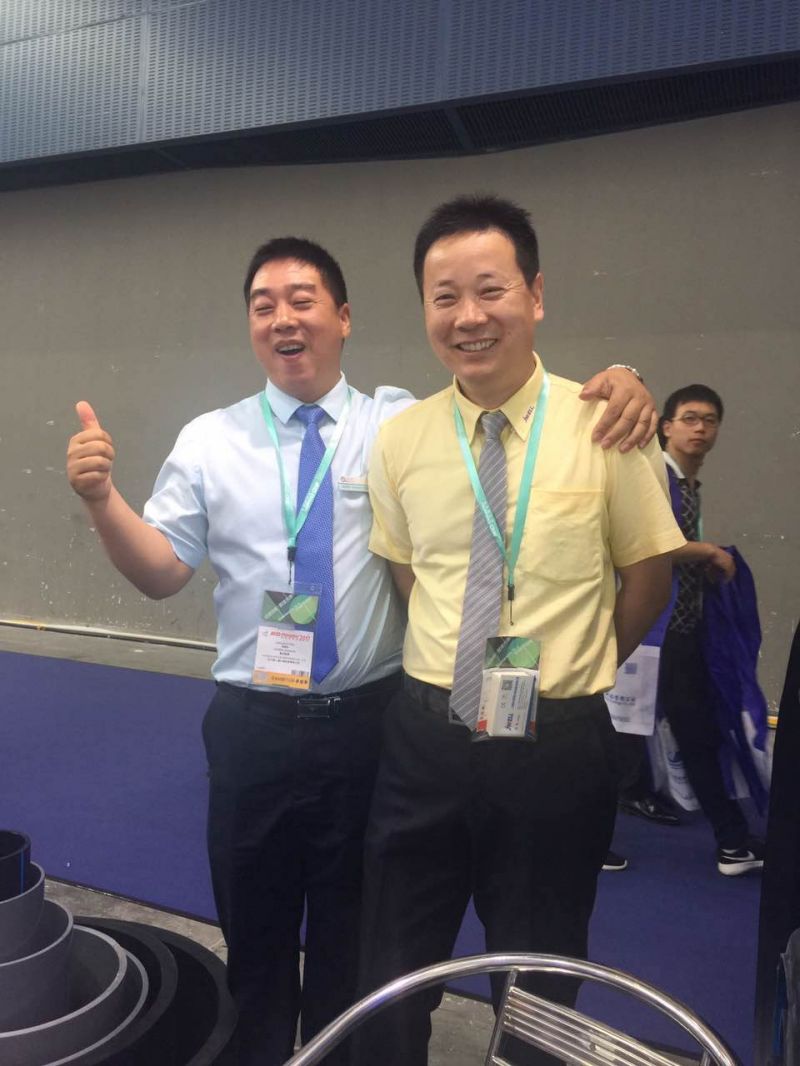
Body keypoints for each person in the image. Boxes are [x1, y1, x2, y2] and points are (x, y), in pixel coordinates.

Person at [66, 235, 660, 1065]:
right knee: (256, 932)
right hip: (252, 727)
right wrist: (102, 501)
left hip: (366, 729)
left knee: (360, 943)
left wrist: (626, 375)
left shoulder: (395, 423)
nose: (283, 319)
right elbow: (162, 574)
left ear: (343, 318)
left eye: (302, 300)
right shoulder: (209, 439)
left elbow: (495, 386)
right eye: (264, 305)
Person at [356, 194, 685, 1066]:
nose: (468, 316)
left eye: (490, 290)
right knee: (391, 960)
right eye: (444, 297)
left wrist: (579, 669)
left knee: (541, 978)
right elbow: (408, 575)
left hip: (557, 745)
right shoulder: (400, 441)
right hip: (424, 739)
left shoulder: (609, 426)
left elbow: (649, 576)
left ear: (536, 294)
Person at [656, 384, 765, 875]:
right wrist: (709, 552)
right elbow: (648, 545)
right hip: (656, 634)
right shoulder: (656, 478)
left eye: (710, 420)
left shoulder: (685, 483)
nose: (700, 428)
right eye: (690, 418)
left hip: (681, 632)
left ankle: (731, 839)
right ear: (667, 426)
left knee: (692, 731)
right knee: (691, 733)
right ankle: (731, 842)